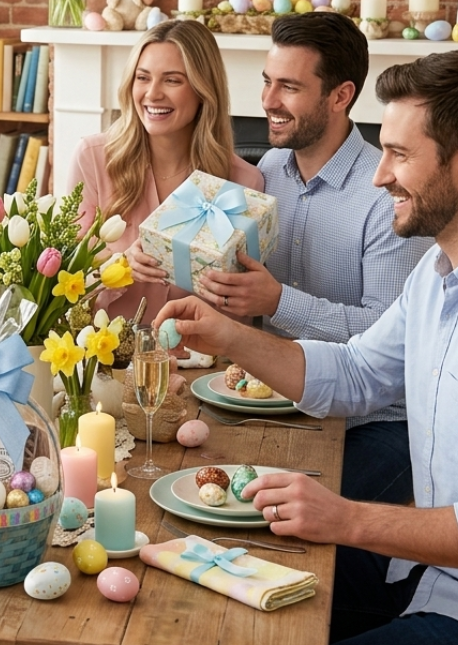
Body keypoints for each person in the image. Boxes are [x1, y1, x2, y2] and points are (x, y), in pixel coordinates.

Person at [156, 50, 458, 644]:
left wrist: (346, 517)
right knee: (213, 585)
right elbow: (353, 371)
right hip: (422, 570)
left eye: (399, 154)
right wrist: (228, 336)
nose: (379, 175)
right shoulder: (433, 276)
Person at [185, 12, 431, 505]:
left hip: (374, 423)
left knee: (269, 512)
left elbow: (388, 339)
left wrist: (278, 302)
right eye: (266, 82)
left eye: (289, 87)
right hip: (273, 402)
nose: (269, 102)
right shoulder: (269, 168)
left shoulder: (389, 195)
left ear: (340, 96)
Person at [69, 18, 263, 323]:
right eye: (143, 77)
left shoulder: (242, 183)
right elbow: (67, 279)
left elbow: (240, 309)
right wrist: (118, 268)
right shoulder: (93, 159)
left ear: (203, 90)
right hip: (108, 359)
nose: (153, 94)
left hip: (198, 362)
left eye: (172, 80)